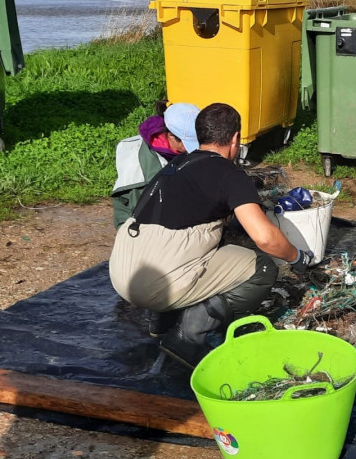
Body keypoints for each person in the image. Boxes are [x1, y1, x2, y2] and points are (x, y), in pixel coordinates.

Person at [109, 103, 314, 368]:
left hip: (123, 273)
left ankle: (161, 322)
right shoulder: (229, 174)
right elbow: (266, 238)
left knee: (199, 247)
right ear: (235, 139)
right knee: (261, 267)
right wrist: (298, 258)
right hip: (156, 285)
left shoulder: (174, 166)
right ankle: (188, 337)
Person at [111, 101, 200, 229]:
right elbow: (139, 214)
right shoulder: (143, 170)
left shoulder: (173, 142)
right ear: (171, 137)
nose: (191, 150)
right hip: (139, 227)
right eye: (189, 144)